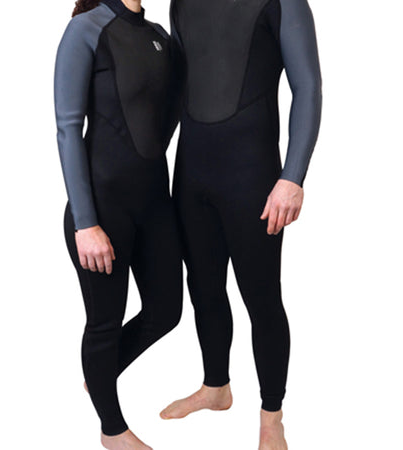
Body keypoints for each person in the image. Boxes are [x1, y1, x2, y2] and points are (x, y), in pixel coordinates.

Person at [160, 0, 322, 449]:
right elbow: (177, 88)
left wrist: (292, 177)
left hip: (251, 176)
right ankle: (216, 387)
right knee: (203, 287)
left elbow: (308, 87)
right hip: (191, 173)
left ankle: (272, 416)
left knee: (262, 297)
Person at [54, 0, 183, 448]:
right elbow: (68, 128)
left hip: (154, 203)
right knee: (105, 321)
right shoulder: (86, 30)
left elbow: (168, 118)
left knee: (167, 311)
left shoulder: (160, 37)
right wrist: (85, 222)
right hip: (103, 209)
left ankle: (100, 374)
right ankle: (112, 430)